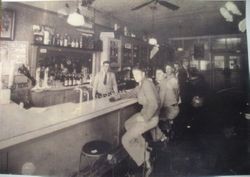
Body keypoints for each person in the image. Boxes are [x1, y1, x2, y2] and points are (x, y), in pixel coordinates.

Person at [110, 63, 160, 177]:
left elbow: (154, 104)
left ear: (143, 74)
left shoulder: (147, 84)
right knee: (127, 124)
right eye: (134, 74)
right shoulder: (141, 84)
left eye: (137, 74)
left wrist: (145, 117)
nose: (135, 76)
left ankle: (147, 162)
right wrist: (117, 96)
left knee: (125, 139)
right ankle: (144, 148)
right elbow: (132, 93)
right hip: (146, 115)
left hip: (151, 118)